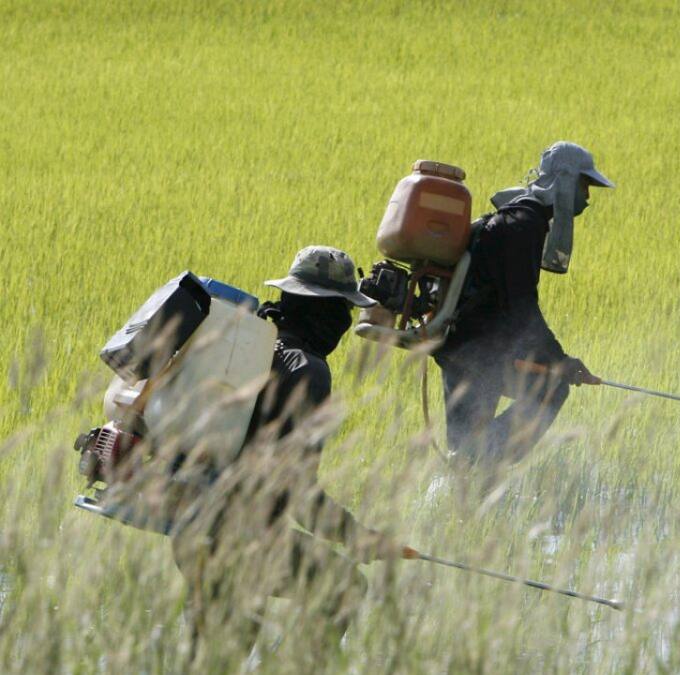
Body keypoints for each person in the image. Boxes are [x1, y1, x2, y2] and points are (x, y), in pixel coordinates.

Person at [168, 246, 391, 663]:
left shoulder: (246, 346)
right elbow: (296, 490)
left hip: (192, 525)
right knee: (343, 587)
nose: (345, 321)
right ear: (324, 311)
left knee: (212, 656)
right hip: (240, 540)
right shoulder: (308, 371)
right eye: (343, 309)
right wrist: (355, 536)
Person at [433, 142, 614, 463]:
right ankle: (473, 464)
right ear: (564, 180)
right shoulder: (524, 225)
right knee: (551, 389)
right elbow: (521, 308)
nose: (587, 197)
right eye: (584, 185)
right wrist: (559, 361)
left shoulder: (519, 218)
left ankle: (462, 475)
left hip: (459, 347)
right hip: (479, 355)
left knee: (462, 448)